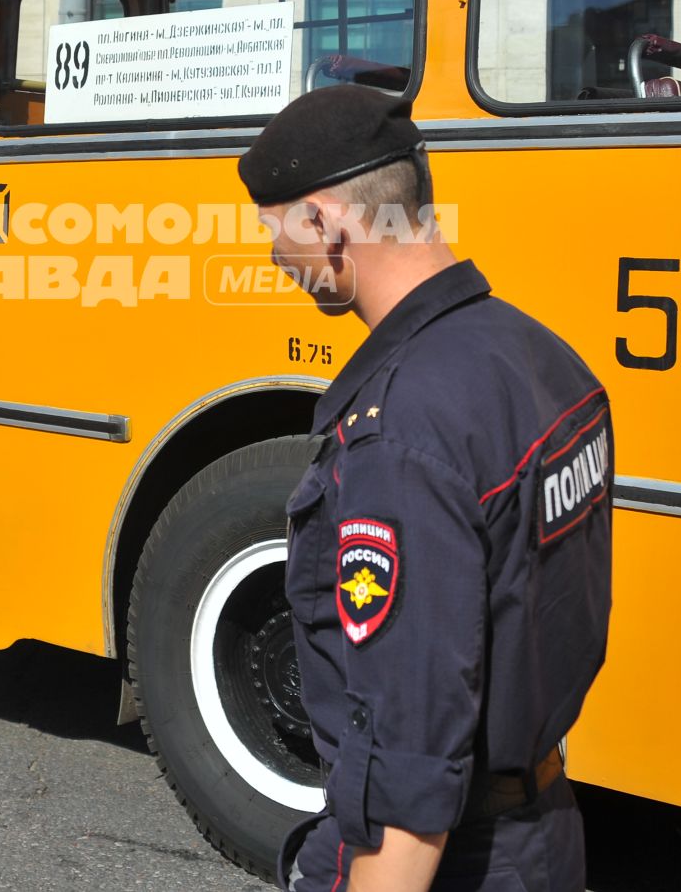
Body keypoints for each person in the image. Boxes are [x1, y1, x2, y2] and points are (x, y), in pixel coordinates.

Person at [236, 83, 613, 892]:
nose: (275, 259)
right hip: (545, 826)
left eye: (275, 235)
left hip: (465, 862)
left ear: (326, 226)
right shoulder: (543, 356)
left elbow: (410, 782)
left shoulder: (400, 434)